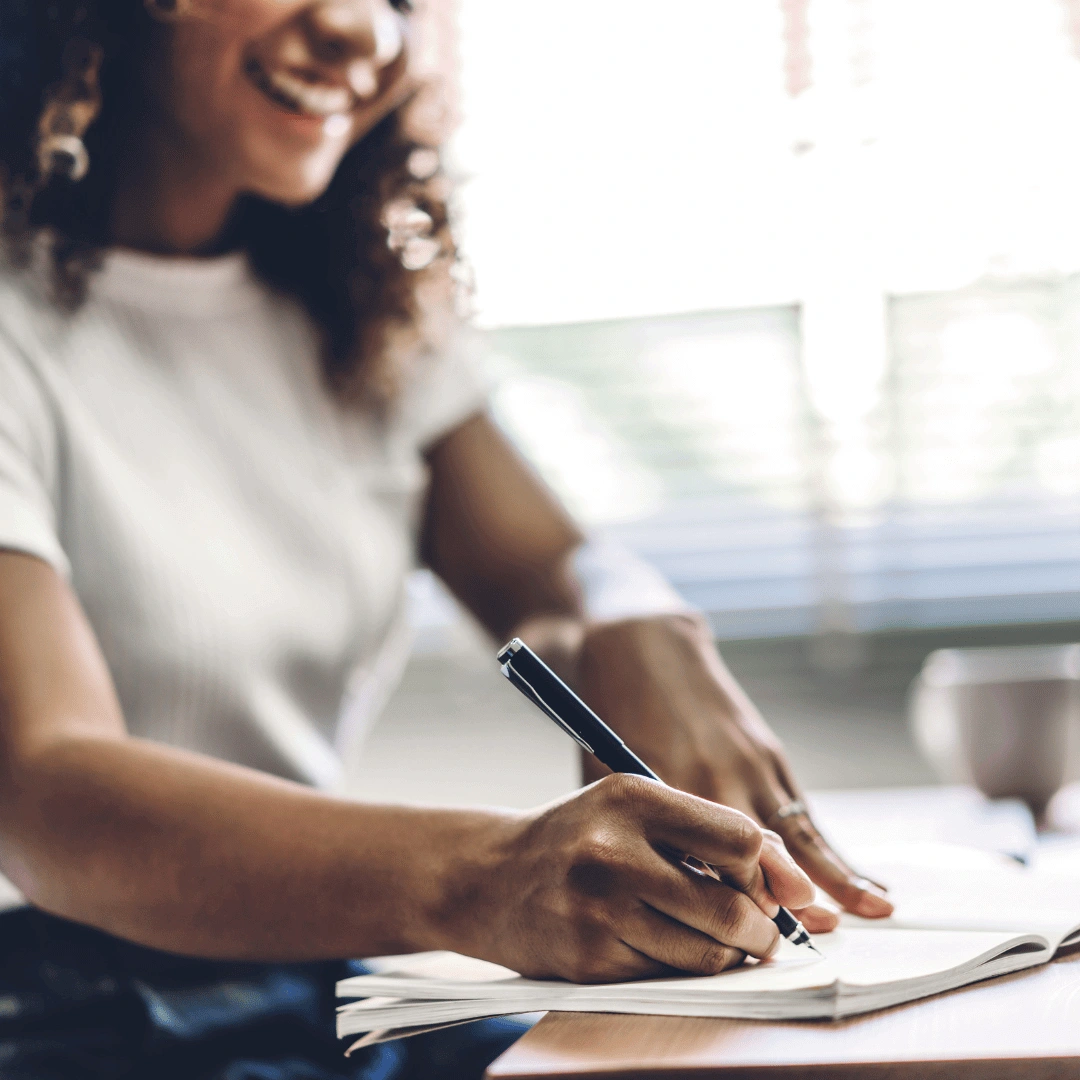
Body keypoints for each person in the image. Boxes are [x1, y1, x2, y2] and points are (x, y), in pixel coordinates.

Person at [0, 1, 893, 1076]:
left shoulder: (348, 307)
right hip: (58, 1012)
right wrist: (483, 873)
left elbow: (546, 569)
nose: (357, 27)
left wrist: (633, 620)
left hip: (312, 977)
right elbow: (46, 789)